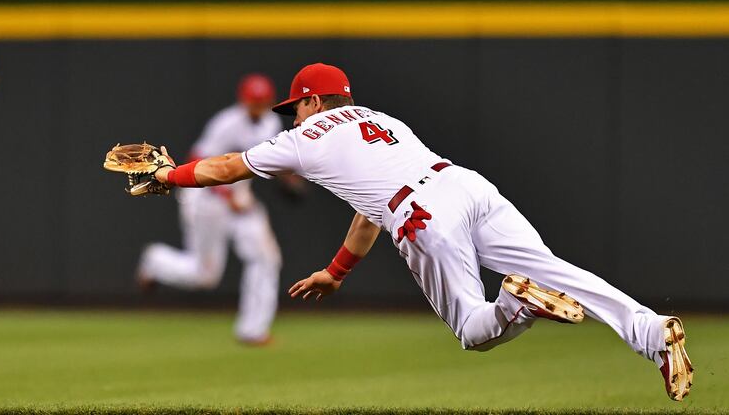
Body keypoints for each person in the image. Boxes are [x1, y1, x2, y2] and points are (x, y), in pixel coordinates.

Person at [150, 63, 693, 400]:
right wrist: (337, 271)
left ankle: (519, 304)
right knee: (558, 271)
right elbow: (368, 213)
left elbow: (224, 167)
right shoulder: (382, 121)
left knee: (475, 329)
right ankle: (651, 332)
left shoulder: (306, 135)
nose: (293, 117)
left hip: (421, 214)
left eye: (296, 106)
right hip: (466, 185)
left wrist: (164, 176)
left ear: (314, 102)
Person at [138, 73, 285, 346]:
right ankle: (155, 261)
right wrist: (225, 193)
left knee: (266, 258)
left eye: (263, 101)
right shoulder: (226, 123)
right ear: (243, 100)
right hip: (207, 199)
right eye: (254, 101)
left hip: (241, 201)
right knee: (205, 276)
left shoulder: (271, 122)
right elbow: (196, 160)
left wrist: (289, 177)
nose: (258, 106)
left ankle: (253, 330)